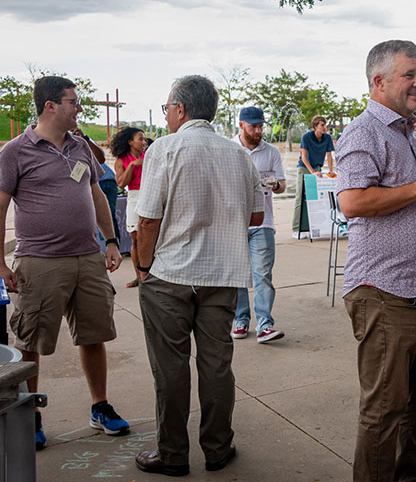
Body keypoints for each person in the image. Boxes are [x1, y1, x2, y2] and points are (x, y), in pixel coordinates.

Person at [133, 75, 264, 477]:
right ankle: (217, 448)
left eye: (167, 108)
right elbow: (256, 215)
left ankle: (172, 454)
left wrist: (141, 267)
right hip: (222, 275)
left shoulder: (165, 149)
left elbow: (148, 219)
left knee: (170, 367)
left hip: (170, 274)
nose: (166, 116)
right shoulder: (237, 154)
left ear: (181, 109)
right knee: (216, 364)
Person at [336, 40, 416, 482]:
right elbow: (352, 201)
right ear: (378, 81)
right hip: (385, 292)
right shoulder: (364, 131)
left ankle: (408, 475)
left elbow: (408, 202)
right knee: (384, 410)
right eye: (410, 75)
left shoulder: (406, 134)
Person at [0, 76, 129, 450]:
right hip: (38, 261)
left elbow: (97, 195)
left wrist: (110, 241)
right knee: (31, 340)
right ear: (50, 106)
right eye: (73, 102)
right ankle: (31, 415)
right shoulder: (15, 151)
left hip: (87, 258)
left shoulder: (80, 147)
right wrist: (1, 264)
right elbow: (1, 206)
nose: (79, 108)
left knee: (94, 334)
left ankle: (100, 407)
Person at [232, 106, 287, 344]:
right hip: (234, 223)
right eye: (253, 126)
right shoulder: (229, 149)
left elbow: (283, 184)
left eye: (261, 126)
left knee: (262, 274)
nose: (258, 131)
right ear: (242, 125)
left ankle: (265, 324)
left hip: (263, 221)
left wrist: (274, 185)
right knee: (238, 275)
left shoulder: (271, 152)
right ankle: (241, 319)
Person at [110, 127, 146, 287]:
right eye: (140, 139)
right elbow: (121, 183)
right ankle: (138, 276)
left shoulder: (149, 156)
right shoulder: (121, 161)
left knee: (153, 237)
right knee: (136, 240)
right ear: (130, 142)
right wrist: (132, 165)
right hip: (133, 197)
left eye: (145, 139)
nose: (144, 142)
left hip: (149, 195)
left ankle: (150, 274)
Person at [291, 114, 335, 238]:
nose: (325, 127)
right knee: (300, 197)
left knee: (315, 199)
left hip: (317, 168)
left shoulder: (327, 138)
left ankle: (315, 227)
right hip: (304, 168)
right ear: (315, 126)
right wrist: (312, 172)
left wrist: (331, 171)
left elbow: (330, 156)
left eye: (325, 125)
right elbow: (304, 157)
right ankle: (296, 229)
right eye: (322, 125)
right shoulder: (306, 137)